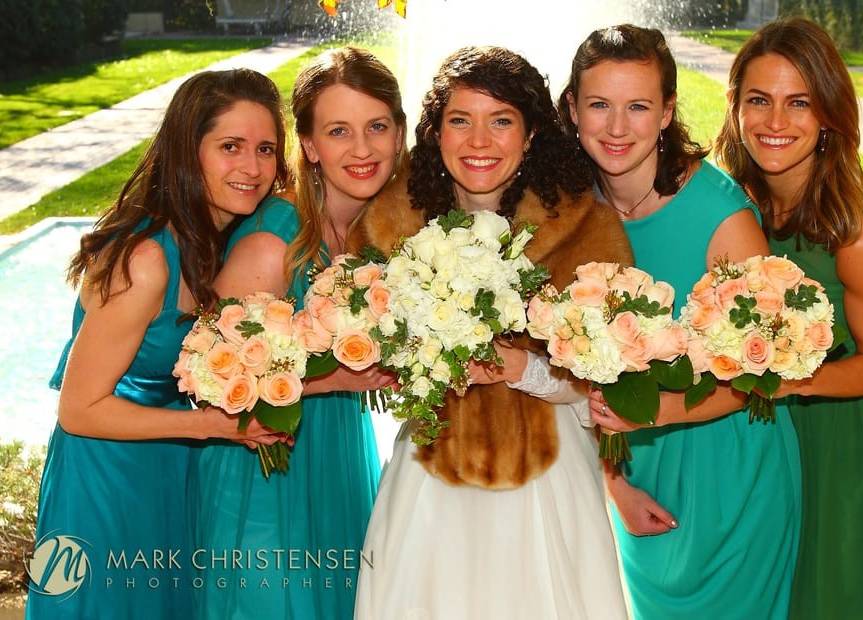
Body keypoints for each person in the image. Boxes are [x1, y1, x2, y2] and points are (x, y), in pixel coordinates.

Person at [349, 45, 630, 619]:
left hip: (547, 481)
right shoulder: (386, 229)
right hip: (432, 478)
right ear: (436, 132)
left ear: (530, 136)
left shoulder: (587, 229)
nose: (479, 142)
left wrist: (522, 369)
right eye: (461, 121)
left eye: (501, 121)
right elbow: (368, 363)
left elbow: (607, 383)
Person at [26, 69, 288, 620]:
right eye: (230, 147)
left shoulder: (212, 240)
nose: (253, 167)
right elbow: (78, 409)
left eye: (266, 148)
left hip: (167, 464)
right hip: (105, 474)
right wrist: (212, 426)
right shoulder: (146, 260)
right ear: (187, 152)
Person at [560, 25, 801, 619]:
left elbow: (761, 376)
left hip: (732, 474)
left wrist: (656, 413)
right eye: (599, 105)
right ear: (572, 108)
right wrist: (614, 486)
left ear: (667, 111)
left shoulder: (723, 220)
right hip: (641, 468)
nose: (617, 128)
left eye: (638, 106)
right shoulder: (571, 206)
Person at [715, 17, 863, 618]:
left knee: (839, 586)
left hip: (855, 426)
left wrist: (771, 381)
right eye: (758, 101)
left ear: (829, 113)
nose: (775, 123)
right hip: (772, 418)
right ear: (735, 108)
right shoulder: (735, 204)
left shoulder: (859, 226)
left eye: (799, 103)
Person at [187, 47, 402, 620]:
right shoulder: (274, 240)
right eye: (339, 131)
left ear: (398, 134)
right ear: (309, 145)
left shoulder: (373, 234)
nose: (362, 149)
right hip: (261, 473)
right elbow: (209, 379)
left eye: (377, 127)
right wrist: (331, 381)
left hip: (336, 455)